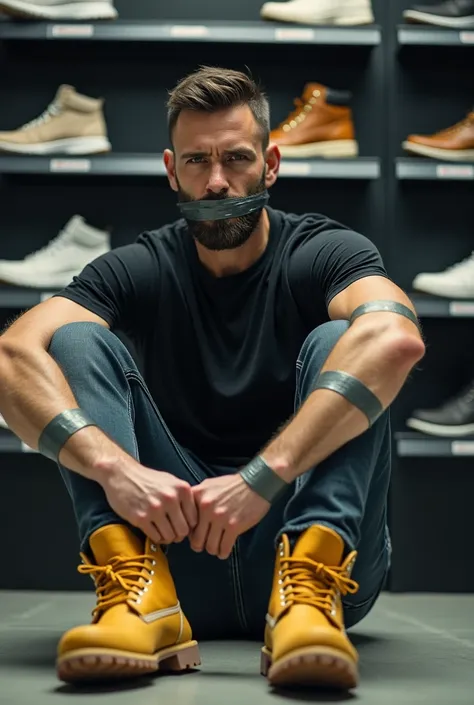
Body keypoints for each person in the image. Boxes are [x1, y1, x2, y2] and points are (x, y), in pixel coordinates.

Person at [0, 66, 425, 691]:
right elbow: (12, 353)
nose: (218, 181)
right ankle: (136, 597)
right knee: (69, 340)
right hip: (176, 550)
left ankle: (307, 597)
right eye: (198, 161)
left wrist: (260, 479)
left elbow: (396, 339)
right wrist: (118, 472)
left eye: (237, 158)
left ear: (271, 164)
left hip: (320, 557)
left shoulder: (325, 252)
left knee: (347, 341)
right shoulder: (139, 266)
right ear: (172, 170)